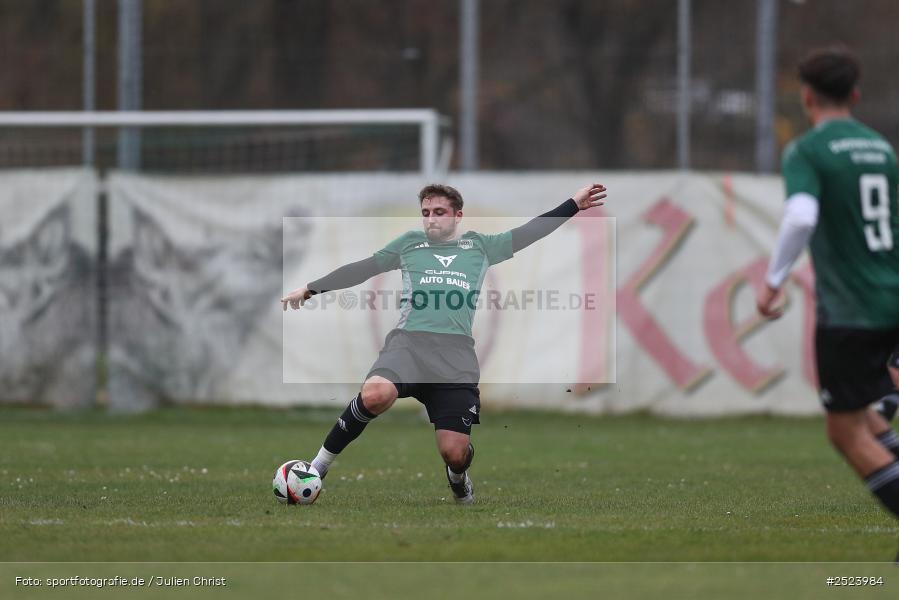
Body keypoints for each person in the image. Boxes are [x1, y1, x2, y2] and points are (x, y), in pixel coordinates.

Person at [282, 182, 607, 503]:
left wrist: (573, 205)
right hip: (408, 347)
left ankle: (458, 477)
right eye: (425, 213)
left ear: (457, 215)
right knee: (375, 394)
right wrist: (312, 288)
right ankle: (318, 467)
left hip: (455, 359)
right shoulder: (410, 244)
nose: (431, 219)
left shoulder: (480, 246)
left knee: (454, 452)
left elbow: (529, 233)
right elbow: (364, 268)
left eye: (439, 212)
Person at [756, 46, 899, 556]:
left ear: (807, 96)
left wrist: (773, 280)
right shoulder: (881, 149)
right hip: (893, 296)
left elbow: (799, 217)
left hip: (852, 310)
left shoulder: (809, 151)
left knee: (845, 433)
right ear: (856, 95)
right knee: (870, 418)